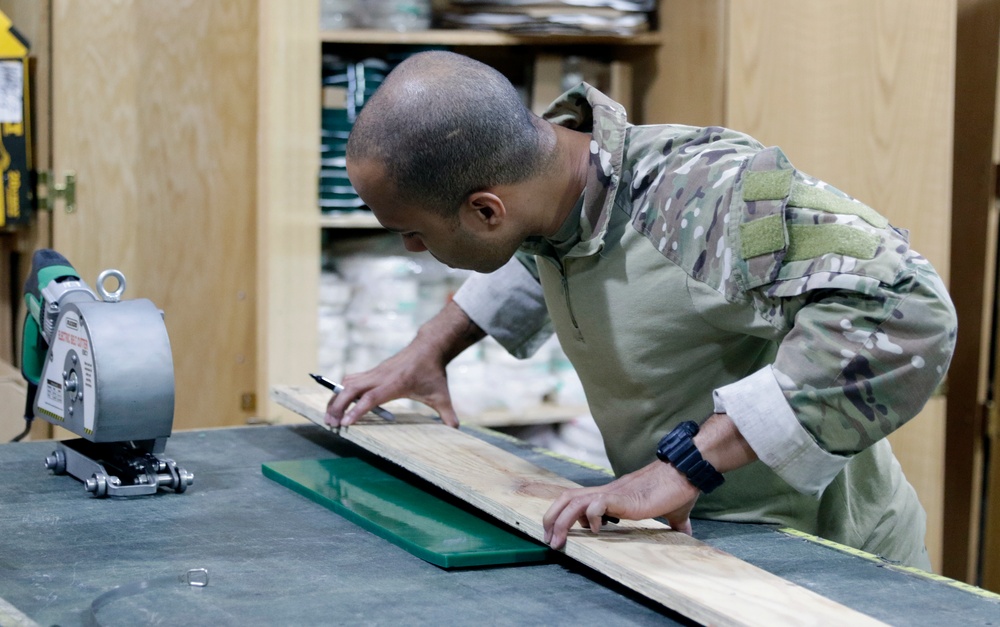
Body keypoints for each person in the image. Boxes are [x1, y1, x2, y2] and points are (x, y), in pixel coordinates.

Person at [325, 50, 956, 570]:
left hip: (830, 562)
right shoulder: (545, 178)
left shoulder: (708, 198)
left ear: (486, 210)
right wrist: (429, 349)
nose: (413, 249)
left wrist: (689, 463)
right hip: (690, 550)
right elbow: (535, 248)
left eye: (412, 233)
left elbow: (908, 309)